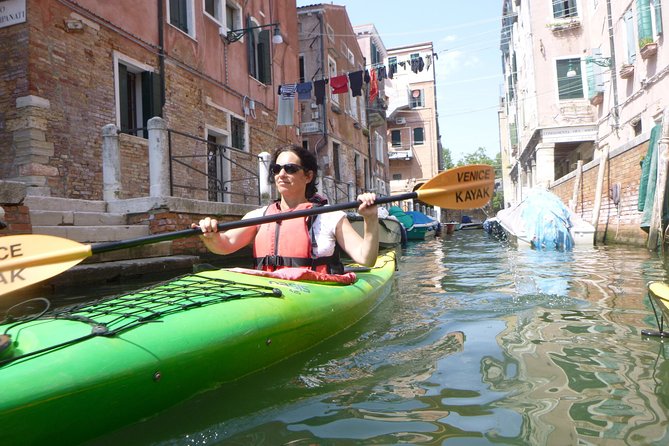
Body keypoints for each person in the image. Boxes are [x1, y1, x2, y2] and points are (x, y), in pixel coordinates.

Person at [193, 145, 379, 273]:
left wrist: (370, 219)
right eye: (276, 168)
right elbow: (224, 245)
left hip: (314, 291)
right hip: (269, 292)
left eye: (290, 168)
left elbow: (366, 258)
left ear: (308, 176)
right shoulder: (258, 216)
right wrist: (210, 236)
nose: (281, 174)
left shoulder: (330, 216)